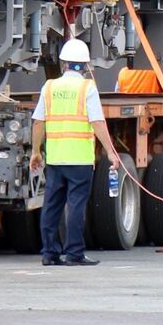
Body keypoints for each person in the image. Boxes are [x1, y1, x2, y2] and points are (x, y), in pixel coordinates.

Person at [30, 38, 123, 266]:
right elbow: (97, 122)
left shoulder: (49, 87)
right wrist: (111, 152)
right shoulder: (87, 88)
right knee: (76, 206)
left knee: (51, 206)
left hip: (56, 158)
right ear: (85, 66)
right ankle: (74, 254)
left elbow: (38, 122)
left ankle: (49, 254)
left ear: (63, 64)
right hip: (79, 160)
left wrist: (36, 151)